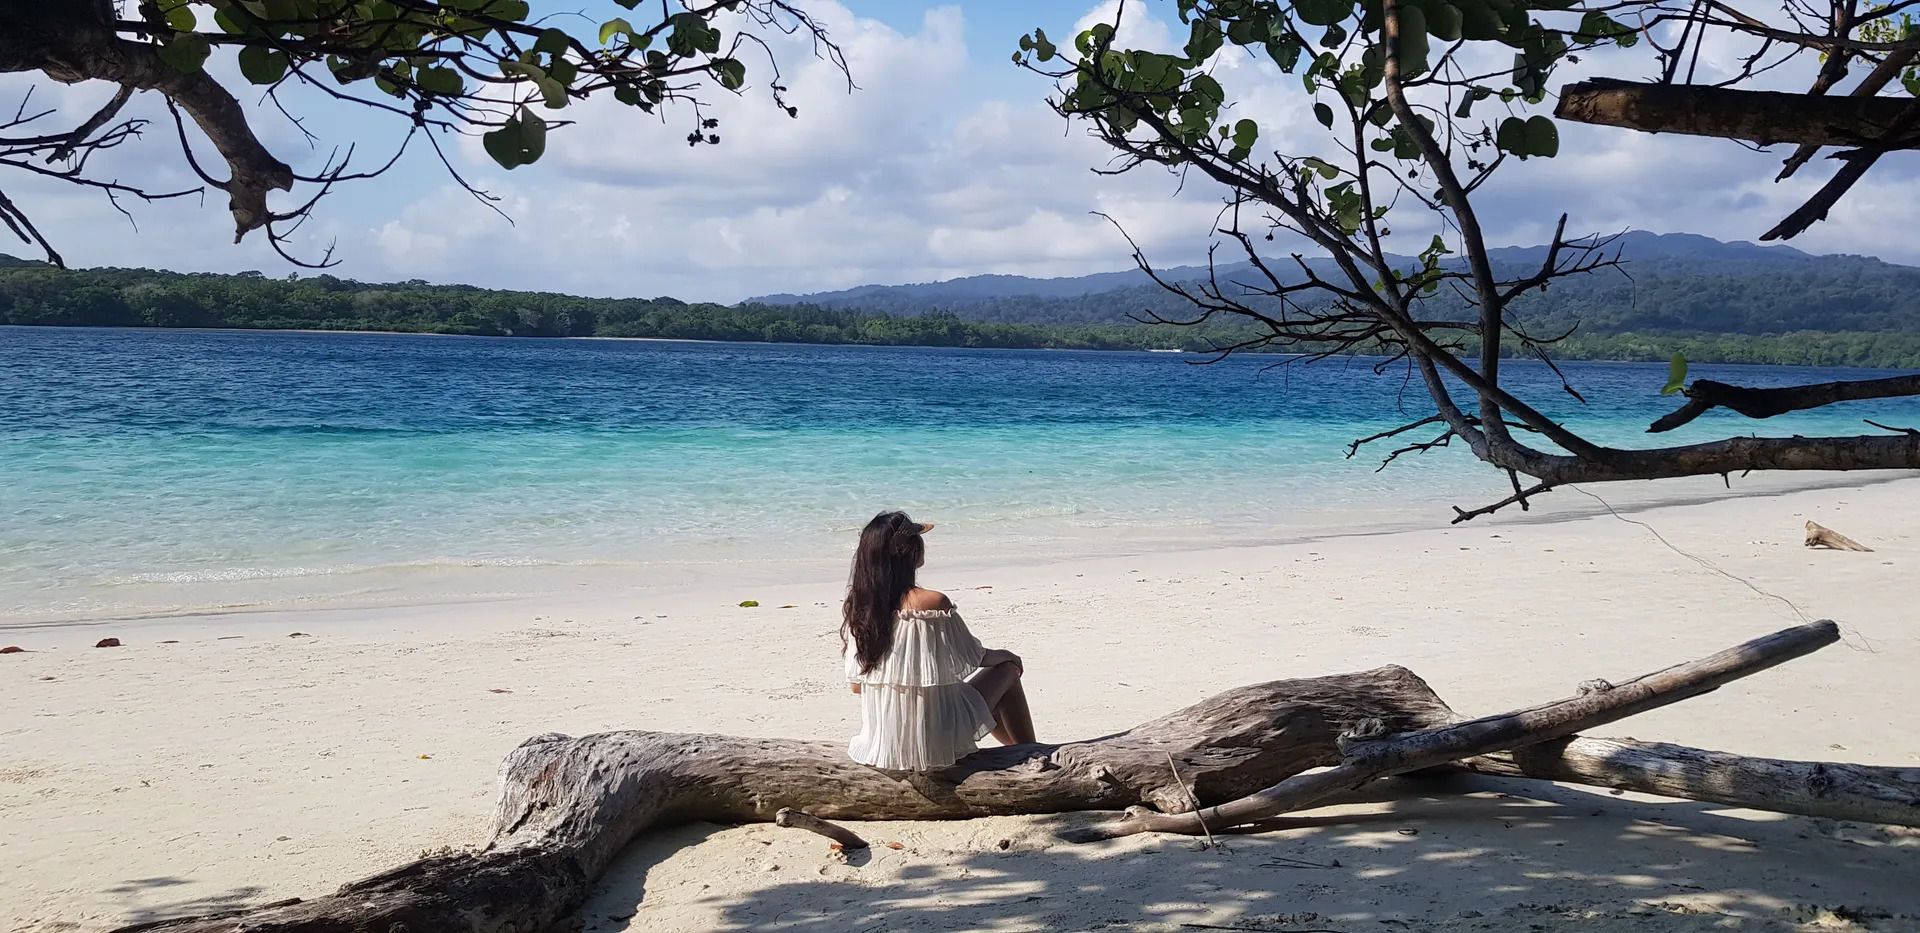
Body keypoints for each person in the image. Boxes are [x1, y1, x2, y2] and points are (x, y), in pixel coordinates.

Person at [841, 511, 1036, 770]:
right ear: (911, 551)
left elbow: (857, 686)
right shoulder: (933, 602)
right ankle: (1033, 752)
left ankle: (1020, 752)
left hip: (886, 742)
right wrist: (1009, 655)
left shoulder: (860, 607)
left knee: (966, 693)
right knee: (1007, 670)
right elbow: (972, 657)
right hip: (936, 738)